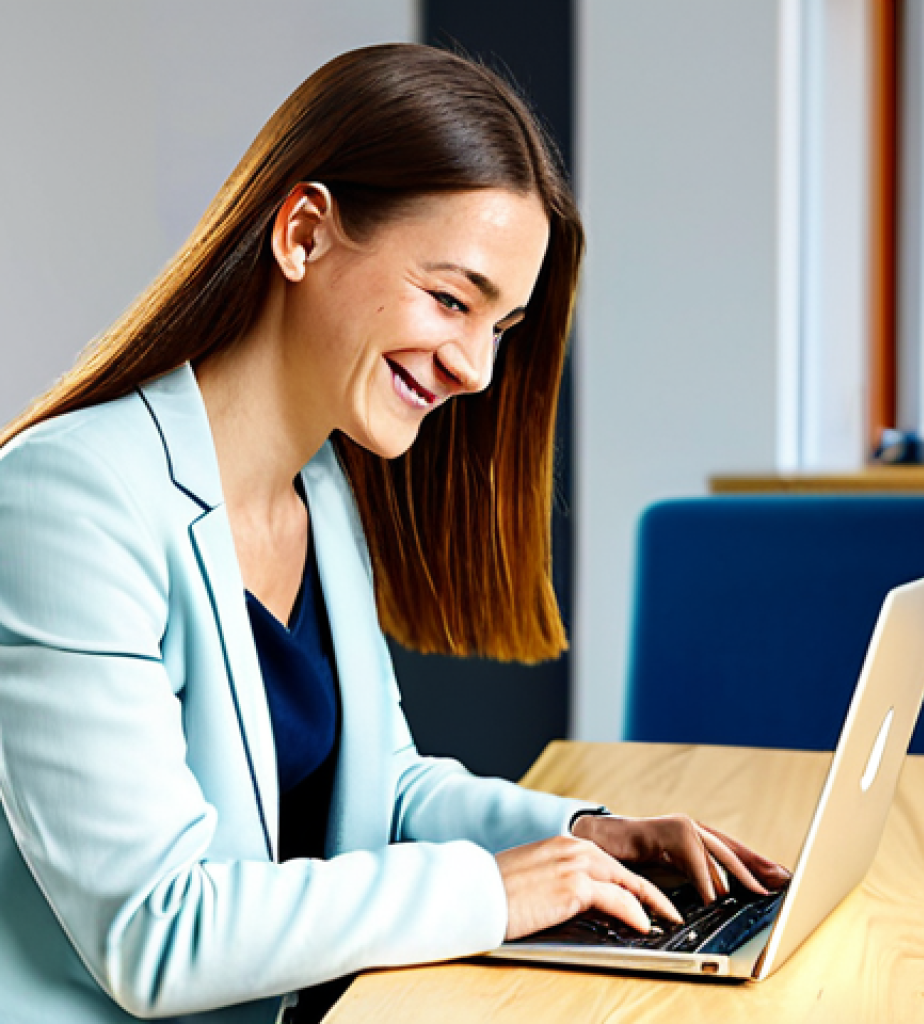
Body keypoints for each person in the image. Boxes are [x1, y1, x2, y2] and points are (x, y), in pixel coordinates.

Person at [0, 44, 789, 1024]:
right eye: (452, 299)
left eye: (500, 327)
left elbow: (384, 789)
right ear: (303, 233)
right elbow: (155, 930)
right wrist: (498, 891)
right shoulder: (67, 498)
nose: (476, 370)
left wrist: (586, 837)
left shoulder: (320, 484)